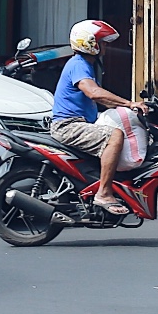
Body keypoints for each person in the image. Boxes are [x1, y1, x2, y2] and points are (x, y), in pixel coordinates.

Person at [49, 19, 142, 216]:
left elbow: (102, 100)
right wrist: (129, 103)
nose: (105, 46)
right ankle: (104, 193)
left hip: (79, 122)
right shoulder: (78, 65)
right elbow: (94, 93)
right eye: (103, 42)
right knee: (115, 136)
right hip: (68, 126)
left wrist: (129, 107)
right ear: (90, 44)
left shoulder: (86, 65)